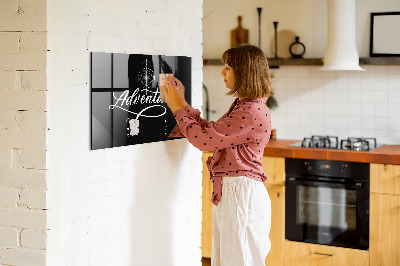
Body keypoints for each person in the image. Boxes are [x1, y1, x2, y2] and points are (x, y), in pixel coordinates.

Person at [161, 44, 273, 266]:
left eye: (228, 67)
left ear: (244, 72)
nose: (222, 72)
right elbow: (212, 133)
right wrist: (182, 103)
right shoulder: (246, 106)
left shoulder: (250, 111)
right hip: (236, 193)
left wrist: (176, 108)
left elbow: (204, 141)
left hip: (241, 195)